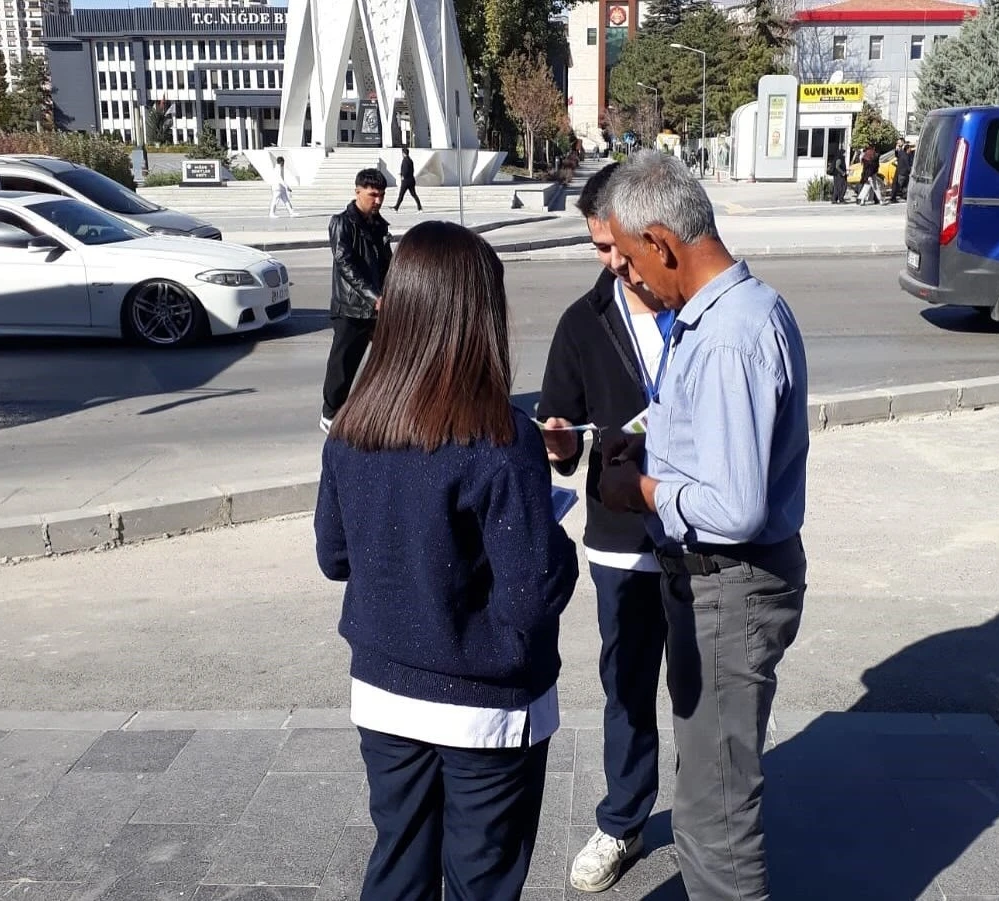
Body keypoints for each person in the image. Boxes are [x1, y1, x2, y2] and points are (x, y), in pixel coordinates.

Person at [315, 220, 580, 901]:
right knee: (482, 879)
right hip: (485, 704)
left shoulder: (354, 426)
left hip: (384, 691)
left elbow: (335, 556)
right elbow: (530, 595)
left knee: (396, 865)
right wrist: (557, 544)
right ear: (478, 317)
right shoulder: (501, 437)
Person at [595, 150, 809, 901]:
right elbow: (707, 438)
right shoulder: (725, 314)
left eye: (628, 260)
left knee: (713, 817)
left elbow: (734, 507)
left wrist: (640, 489)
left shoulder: (726, 336)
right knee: (708, 788)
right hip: (719, 586)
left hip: (730, 585)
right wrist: (645, 445)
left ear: (661, 243)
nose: (626, 276)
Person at [536, 163, 672, 894]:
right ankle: (623, 819)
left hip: (707, 533)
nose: (613, 260)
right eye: (598, 247)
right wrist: (559, 442)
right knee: (626, 686)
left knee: (708, 689)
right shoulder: (582, 321)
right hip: (622, 538)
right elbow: (560, 436)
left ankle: (714, 822)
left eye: (619, 243)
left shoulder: (701, 303)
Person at [320, 168, 392, 433]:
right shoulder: (342, 223)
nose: (378, 201)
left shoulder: (379, 224)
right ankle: (330, 414)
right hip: (351, 308)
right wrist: (374, 298)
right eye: (373, 195)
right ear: (357, 191)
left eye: (381, 195)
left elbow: (387, 263)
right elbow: (345, 265)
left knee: (390, 359)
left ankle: (380, 410)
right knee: (343, 365)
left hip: (379, 307)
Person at [393, 146, 422, 212]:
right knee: (414, 194)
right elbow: (412, 170)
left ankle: (396, 208)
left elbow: (405, 170)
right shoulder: (410, 160)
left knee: (401, 195)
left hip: (406, 181)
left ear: (403, 153)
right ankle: (420, 208)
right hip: (411, 180)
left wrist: (403, 176)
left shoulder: (405, 160)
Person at [889, 138, 913, 203]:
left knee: (902, 184)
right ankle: (893, 197)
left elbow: (908, 160)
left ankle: (901, 196)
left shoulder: (907, 149)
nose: (898, 144)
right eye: (897, 143)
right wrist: (896, 150)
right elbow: (897, 156)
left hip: (904, 170)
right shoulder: (900, 149)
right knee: (897, 184)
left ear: (902, 142)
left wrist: (909, 170)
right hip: (899, 169)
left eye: (899, 142)